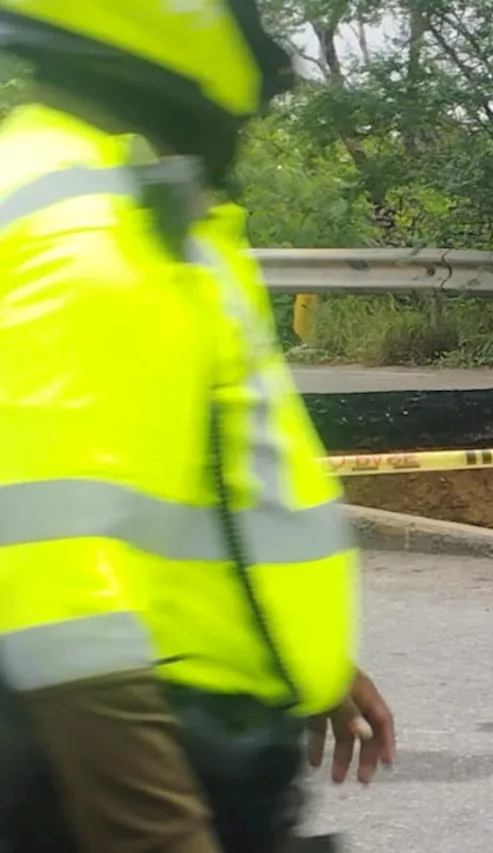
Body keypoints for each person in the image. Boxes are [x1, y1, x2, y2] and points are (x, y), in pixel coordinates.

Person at [0, 2, 395, 852]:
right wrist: (156, 829)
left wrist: (304, 655)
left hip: (156, 725)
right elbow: (53, 572)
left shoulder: (103, 190)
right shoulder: (92, 231)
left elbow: (197, 471)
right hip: (123, 755)